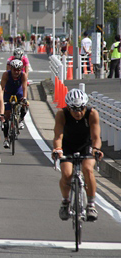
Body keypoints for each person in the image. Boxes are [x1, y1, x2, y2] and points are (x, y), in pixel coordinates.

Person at [52, 89, 103, 222]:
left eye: (81, 108)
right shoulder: (61, 114)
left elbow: (96, 136)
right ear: (68, 108)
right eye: (74, 109)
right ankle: (65, 201)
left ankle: (91, 205)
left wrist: (96, 150)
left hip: (86, 146)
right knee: (67, 174)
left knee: (87, 169)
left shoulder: (92, 114)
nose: (78, 112)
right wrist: (57, 149)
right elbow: (58, 136)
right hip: (68, 146)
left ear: (85, 106)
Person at [0, 60, 29, 148]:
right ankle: (6, 139)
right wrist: (0, 98)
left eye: (18, 70)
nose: (16, 72)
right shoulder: (6, 74)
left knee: (26, 104)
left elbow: (24, 88)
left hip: (18, 93)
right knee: (6, 116)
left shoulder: (23, 75)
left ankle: (20, 120)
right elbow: (1, 88)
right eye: (14, 70)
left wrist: (24, 98)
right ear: (11, 69)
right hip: (8, 94)